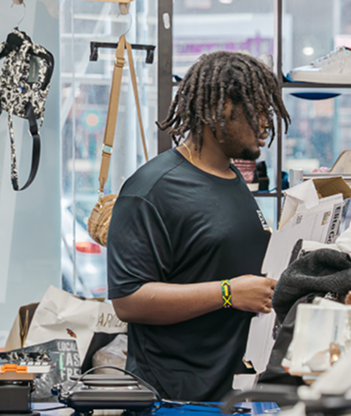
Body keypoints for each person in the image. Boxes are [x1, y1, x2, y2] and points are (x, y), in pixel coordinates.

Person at [106, 51, 291, 401]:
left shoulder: (230, 175)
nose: (267, 123)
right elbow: (128, 300)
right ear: (221, 109)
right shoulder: (152, 190)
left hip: (232, 389)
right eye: (258, 111)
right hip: (178, 398)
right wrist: (227, 293)